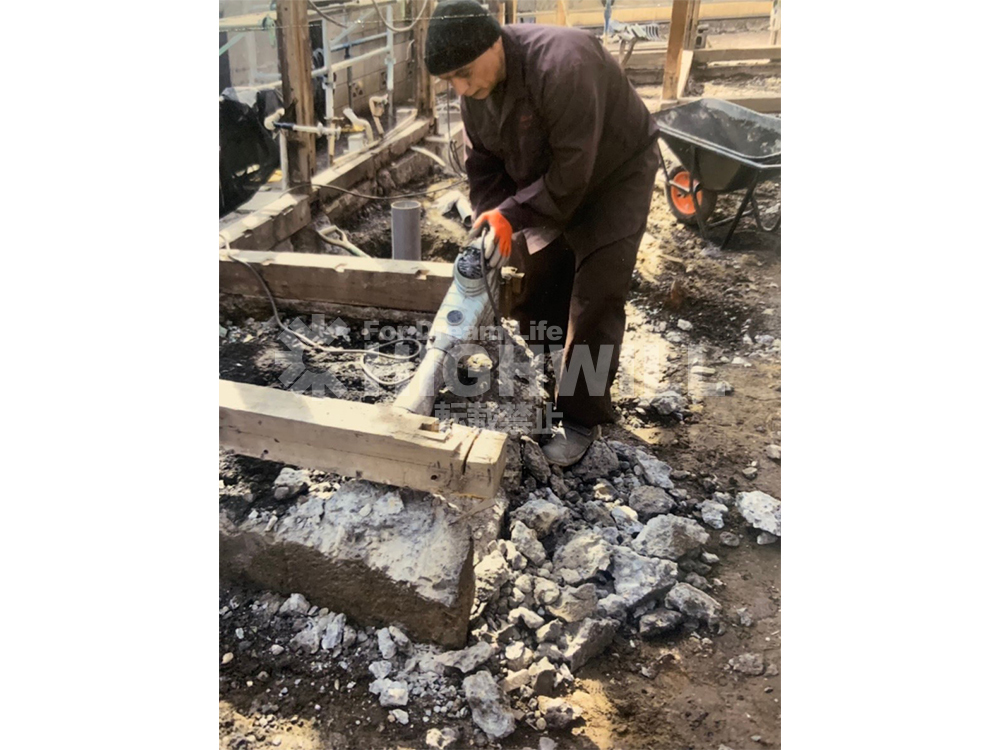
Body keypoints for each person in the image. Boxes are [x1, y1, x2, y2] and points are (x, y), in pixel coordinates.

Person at [425, 0, 659, 466]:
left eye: (465, 73)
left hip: (614, 177)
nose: (462, 88)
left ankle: (580, 416)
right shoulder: (475, 93)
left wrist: (514, 213)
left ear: (494, 42)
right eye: (450, 80)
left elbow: (574, 173)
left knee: (596, 297)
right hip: (545, 184)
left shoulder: (562, 64)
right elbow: (483, 167)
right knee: (538, 280)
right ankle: (546, 381)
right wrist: (491, 219)